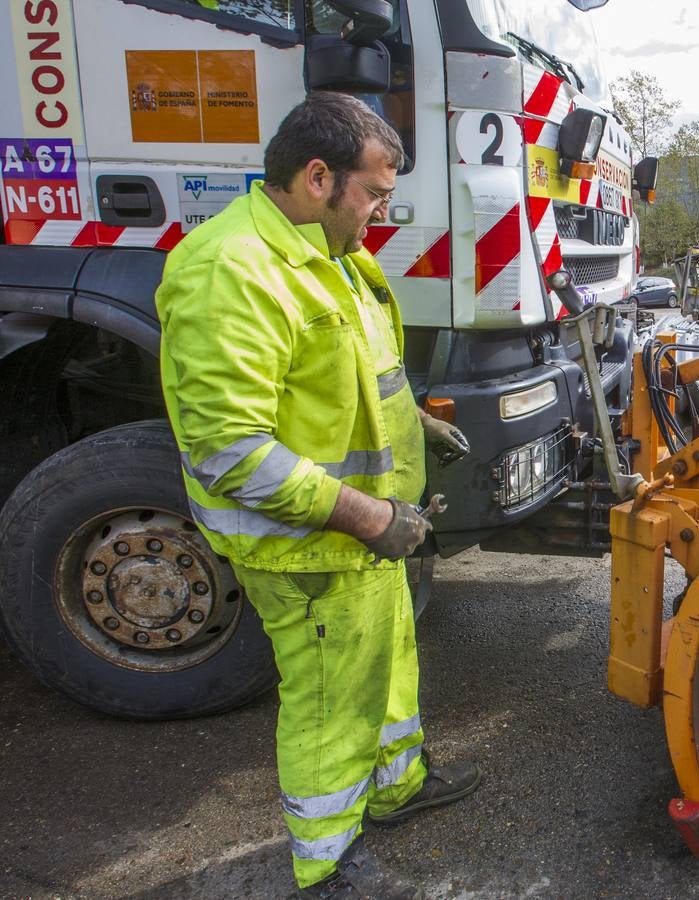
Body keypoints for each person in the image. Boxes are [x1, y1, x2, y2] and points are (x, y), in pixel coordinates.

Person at [156, 92, 476, 899]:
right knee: (333, 700)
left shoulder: (328, 252)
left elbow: (358, 381)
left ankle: (397, 786)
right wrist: (370, 516)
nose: (379, 212)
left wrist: (418, 431)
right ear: (317, 175)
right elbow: (230, 450)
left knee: (387, 665)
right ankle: (327, 863)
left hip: (369, 536)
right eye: (372, 193)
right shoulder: (231, 269)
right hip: (310, 544)